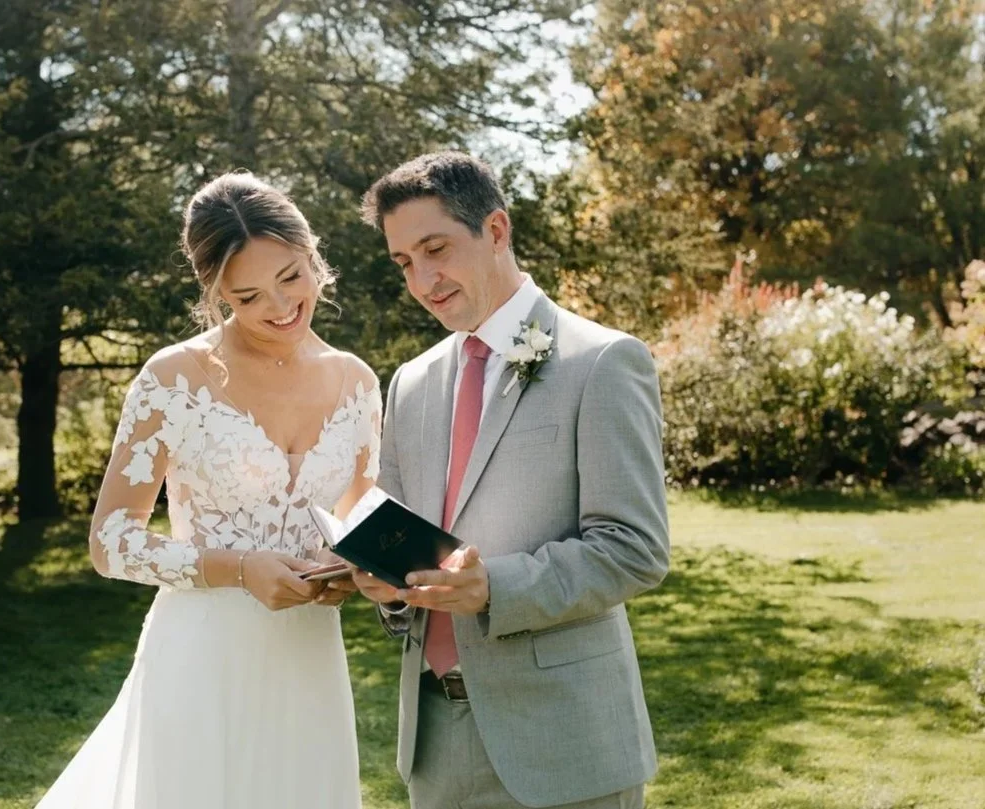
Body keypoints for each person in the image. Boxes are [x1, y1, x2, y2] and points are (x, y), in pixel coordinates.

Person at [35, 171, 377, 809]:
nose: (279, 308)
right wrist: (241, 568)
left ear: (314, 255)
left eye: (292, 278)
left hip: (309, 657)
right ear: (215, 292)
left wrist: (351, 570)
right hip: (201, 654)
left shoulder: (356, 381)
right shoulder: (173, 378)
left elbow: (358, 511)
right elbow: (111, 543)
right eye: (247, 296)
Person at [353, 151, 670, 809]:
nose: (422, 278)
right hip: (435, 744)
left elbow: (633, 550)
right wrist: (386, 586)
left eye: (435, 248)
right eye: (404, 262)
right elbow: (402, 539)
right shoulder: (410, 383)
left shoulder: (602, 362)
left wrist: (495, 587)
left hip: (564, 742)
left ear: (495, 231)